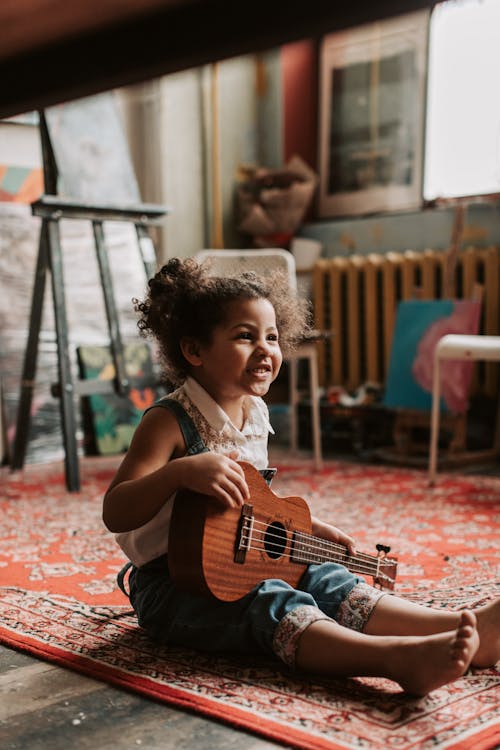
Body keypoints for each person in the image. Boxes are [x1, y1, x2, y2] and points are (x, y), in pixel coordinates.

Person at [103, 257, 499, 697]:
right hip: (174, 586)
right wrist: (180, 472)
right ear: (194, 351)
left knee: (324, 576)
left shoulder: (255, 413)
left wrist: (309, 529)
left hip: (240, 560)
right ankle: (395, 659)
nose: (266, 349)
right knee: (273, 601)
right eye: (244, 336)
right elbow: (116, 509)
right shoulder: (168, 421)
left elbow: (252, 506)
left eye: (271, 337)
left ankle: (466, 629)